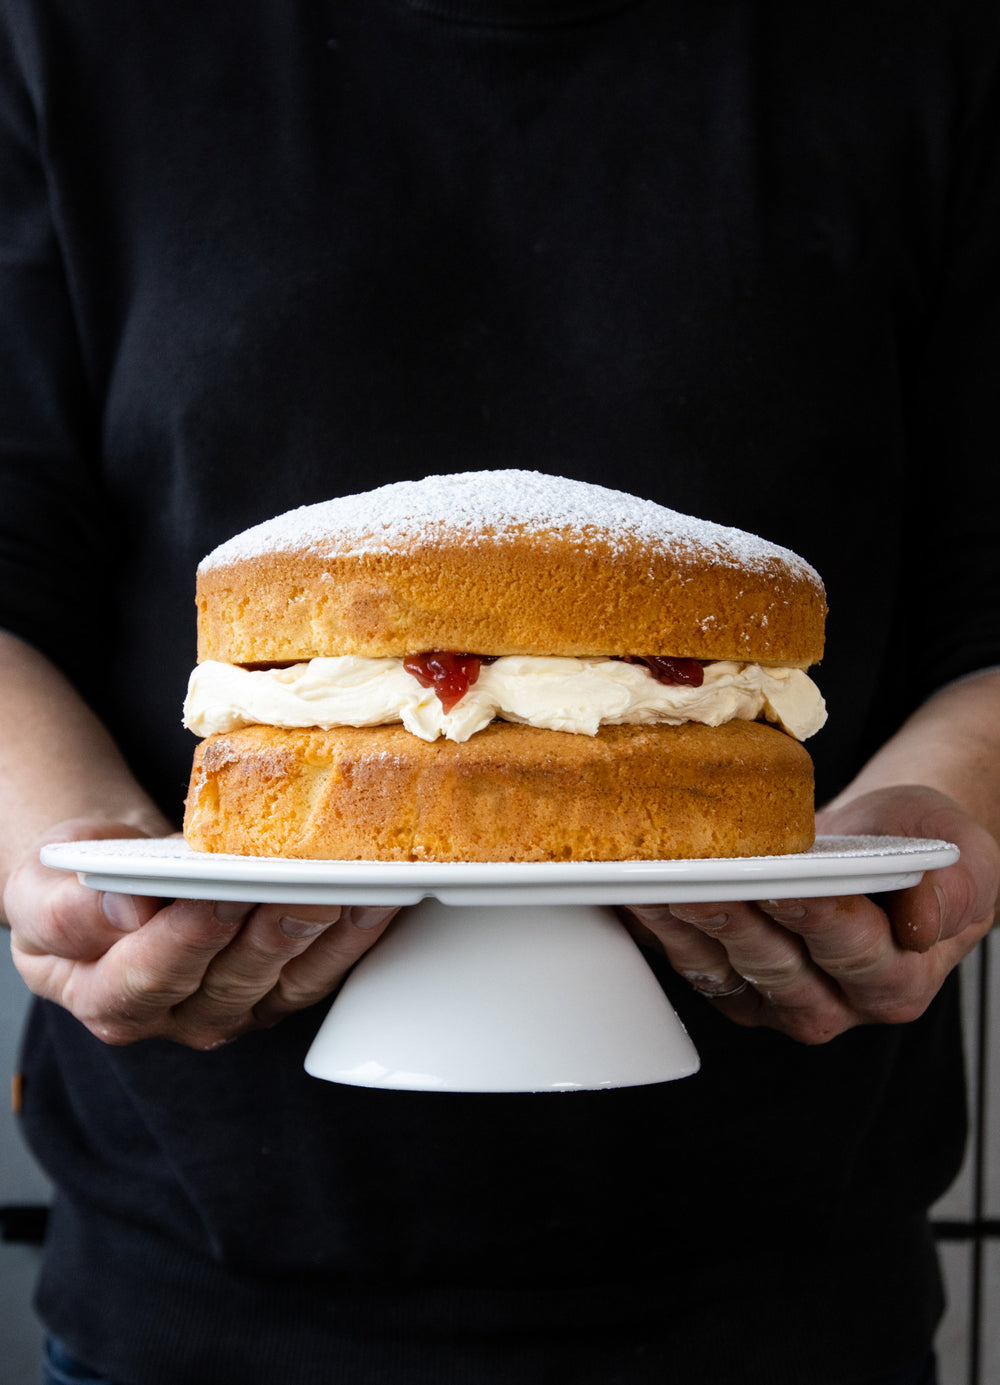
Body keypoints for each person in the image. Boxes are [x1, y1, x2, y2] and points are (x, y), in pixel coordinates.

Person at [1, 2, 998, 1382]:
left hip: (785, 1300)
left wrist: (949, 805)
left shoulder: (932, 42)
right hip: (189, 1296)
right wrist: (63, 847)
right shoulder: (70, 33)